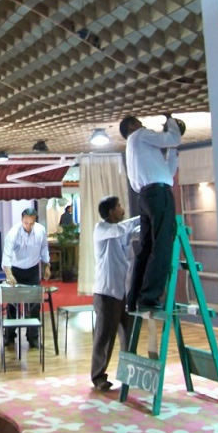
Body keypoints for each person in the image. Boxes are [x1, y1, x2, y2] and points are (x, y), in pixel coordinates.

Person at [120, 114, 182, 311]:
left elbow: (168, 172)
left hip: (146, 197)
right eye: (138, 122)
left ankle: (135, 297)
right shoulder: (140, 135)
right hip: (158, 194)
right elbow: (173, 138)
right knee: (162, 244)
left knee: (146, 248)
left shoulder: (136, 148)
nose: (142, 124)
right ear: (131, 126)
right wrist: (171, 122)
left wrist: (173, 150)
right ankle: (149, 296)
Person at [91, 195, 140, 392]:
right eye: (118, 206)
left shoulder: (121, 231)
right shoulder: (101, 229)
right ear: (111, 212)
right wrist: (142, 217)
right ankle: (98, 377)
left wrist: (149, 220)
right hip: (106, 293)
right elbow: (123, 229)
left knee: (128, 335)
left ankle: (129, 373)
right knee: (105, 337)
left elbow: (134, 231)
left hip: (123, 291)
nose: (122, 209)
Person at [1, 207, 50, 348]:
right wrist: (9, 274)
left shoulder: (40, 230)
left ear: (35, 221)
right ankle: (9, 336)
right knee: (12, 304)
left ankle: (33, 337)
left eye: (31, 223)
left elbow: (44, 248)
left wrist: (47, 266)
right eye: (26, 223)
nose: (28, 226)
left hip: (33, 270)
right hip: (16, 270)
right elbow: (6, 255)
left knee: (34, 305)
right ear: (22, 220)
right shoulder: (13, 233)